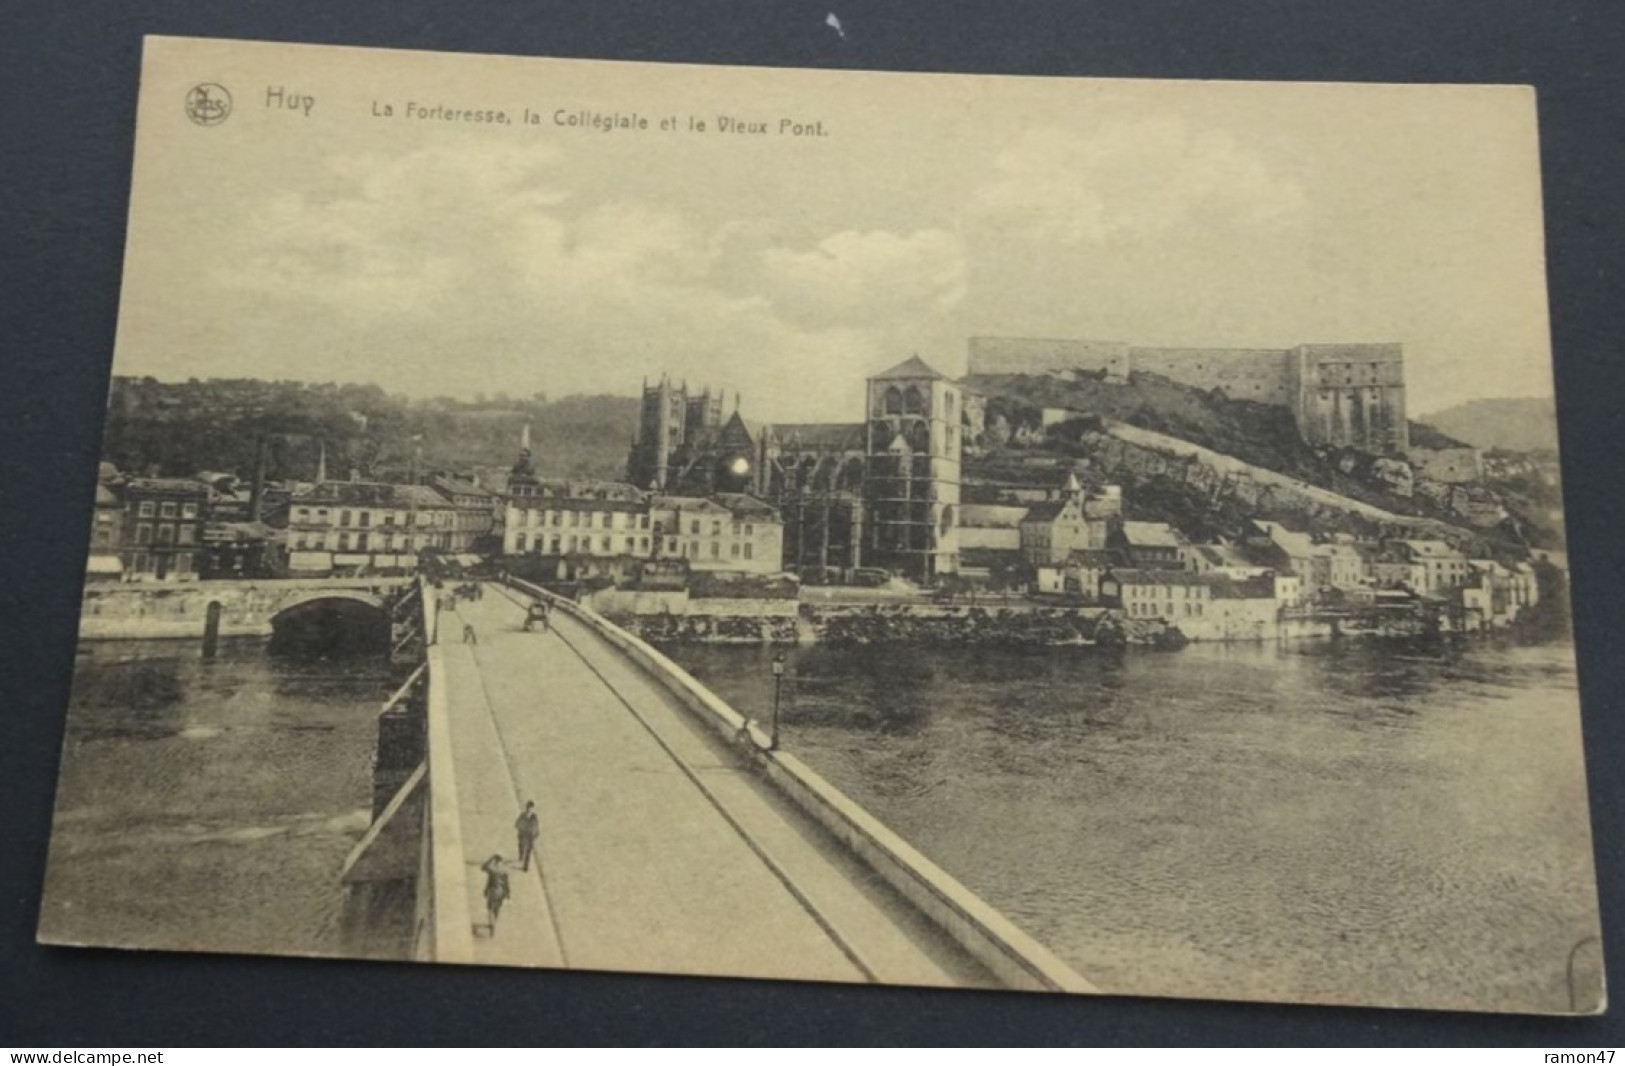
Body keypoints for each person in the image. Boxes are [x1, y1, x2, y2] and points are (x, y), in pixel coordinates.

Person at [480, 854, 510, 934]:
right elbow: (507, 884)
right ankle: (494, 922)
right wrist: (507, 894)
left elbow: (483, 867)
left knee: (490, 907)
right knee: (497, 908)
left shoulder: (492, 869)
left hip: (492, 891)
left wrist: (490, 858)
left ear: (495, 861)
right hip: (501, 892)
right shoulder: (504, 870)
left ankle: (492, 924)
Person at [514, 801, 540, 871]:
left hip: (530, 836)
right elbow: (517, 823)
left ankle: (525, 866)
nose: (529, 809)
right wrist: (520, 829)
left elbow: (536, 825)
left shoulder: (534, 817)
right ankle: (521, 855)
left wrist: (536, 833)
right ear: (526, 808)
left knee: (528, 851)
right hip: (522, 835)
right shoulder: (522, 815)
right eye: (528, 808)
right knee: (521, 847)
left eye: (531, 808)